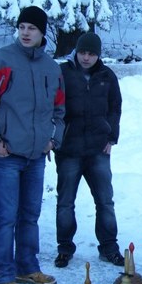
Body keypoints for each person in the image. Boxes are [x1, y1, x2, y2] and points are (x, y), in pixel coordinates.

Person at [0, 6, 65, 284]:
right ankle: (5, 276)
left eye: (32, 28)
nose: (25, 32)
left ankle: (27, 267)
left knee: (30, 215)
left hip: (37, 156)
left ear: (42, 32)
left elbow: (60, 111)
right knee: (6, 216)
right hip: (6, 155)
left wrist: (52, 140)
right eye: (22, 26)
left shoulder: (51, 68)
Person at [53, 32, 124, 268]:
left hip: (97, 150)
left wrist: (111, 137)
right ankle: (65, 248)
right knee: (65, 202)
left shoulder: (107, 76)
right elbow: (51, 106)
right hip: (69, 149)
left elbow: (115, 108)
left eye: (91, 53)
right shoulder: (62, 73)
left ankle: (109, 248)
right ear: (76, 51)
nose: (86, 57)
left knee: (105, 201)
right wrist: (55, 138)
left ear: (98, 55)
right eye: (83, 52)